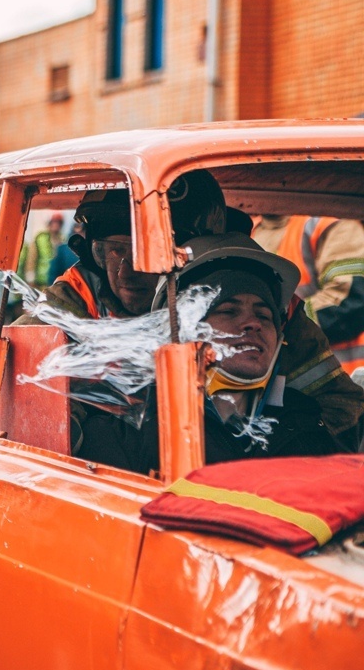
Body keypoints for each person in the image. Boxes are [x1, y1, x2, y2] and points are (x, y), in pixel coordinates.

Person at [21, 170, 364, 441]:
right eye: (113, 250)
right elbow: (33, 416)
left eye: (144, 255)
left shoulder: (262, 307)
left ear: (198, 254)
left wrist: (280, 448)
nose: (125, 271)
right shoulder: (71, 307)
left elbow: (342, 408)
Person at [74, 233, 361, 474]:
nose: (253, 324)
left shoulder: (308, 425)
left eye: (264, 315)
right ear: (184, 331)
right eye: (228, 310)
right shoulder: (126, 429)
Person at [253, 214, 364, 382]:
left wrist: (283, 324)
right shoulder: (250, 230)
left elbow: (351, 300)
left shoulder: (327, 224)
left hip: (349, 378)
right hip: (290, 383)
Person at [22, 212, 65, 287]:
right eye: (54, 222)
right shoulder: (40, 238)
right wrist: (30, 278)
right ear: (49, 223)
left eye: (58, 222)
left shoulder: (64, 239)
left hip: (57, 282)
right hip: (40, 282)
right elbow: (31, 259)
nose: (56, 225)